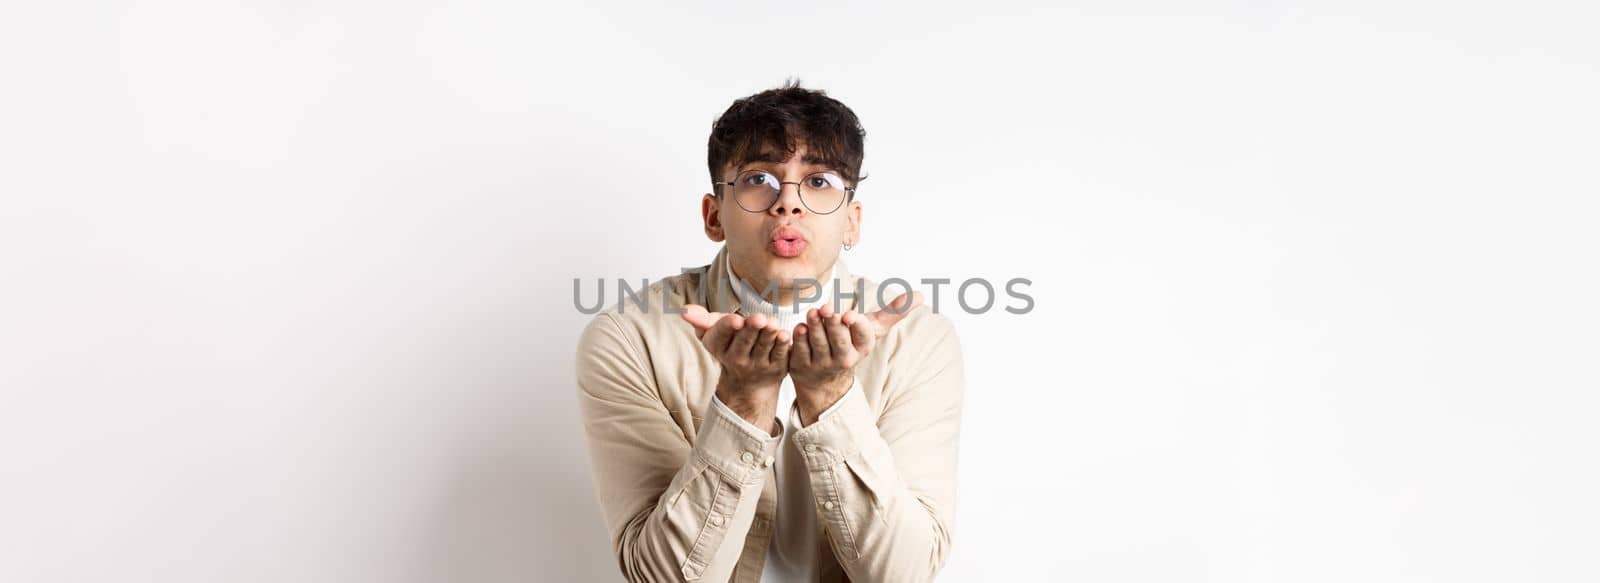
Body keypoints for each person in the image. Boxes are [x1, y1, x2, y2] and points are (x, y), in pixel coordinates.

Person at [576, 80, 965, 582]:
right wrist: (743, 401)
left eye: (819, 180)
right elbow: (662, 577)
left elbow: (901, 574)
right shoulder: (630, 338)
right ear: (714, 215)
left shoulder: (919, 339)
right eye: (759, 178)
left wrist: (829, 395)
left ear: (852, 222)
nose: (788, 204)